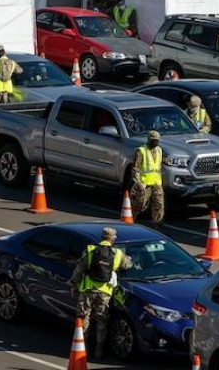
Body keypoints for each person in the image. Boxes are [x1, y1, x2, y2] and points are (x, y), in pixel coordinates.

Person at [69, 227, 132, 358]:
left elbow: (79, 269)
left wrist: (73, 283)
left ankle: (83, 347)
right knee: (101, 321)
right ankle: (99, 349)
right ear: (112, 239)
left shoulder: (90, 250)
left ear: (102, 237)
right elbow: (128, 266)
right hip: (105, 293)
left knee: (83, 318)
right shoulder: (118, 253)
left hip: (87, 290)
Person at [131, 130, 164, 226]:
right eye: (153, 140)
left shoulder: (159, 150)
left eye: (157, 141)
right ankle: (132, 217)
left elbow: (158, 167)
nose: (155, 142)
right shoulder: (141, 151)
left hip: (156, 182)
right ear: (149, 140)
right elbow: (135, 168)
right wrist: (138, 182)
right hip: (144, 183)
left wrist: (160, 181)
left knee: (159, 204)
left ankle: (157, 223)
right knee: (140, 204)